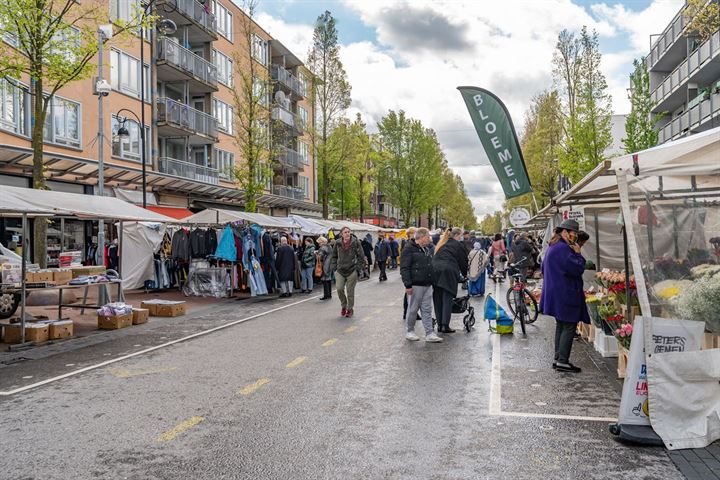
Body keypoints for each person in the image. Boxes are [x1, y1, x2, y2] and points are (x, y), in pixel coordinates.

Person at [540, 219, 590, 373]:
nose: (574, 236)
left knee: (561, 325)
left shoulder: (553, 246)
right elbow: (577, 268)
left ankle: (558, 358)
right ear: (565, 232)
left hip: (556, 292)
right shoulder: (563, 249)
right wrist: (579, 254)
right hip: (565, 293)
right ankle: (562, 361)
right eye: (573, 233)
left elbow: (542, 267)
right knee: (568, 326)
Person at [401, 228, 443, 343]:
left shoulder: (427, 248)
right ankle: (410, 331)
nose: (429, 239)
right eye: (427, 236)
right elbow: (404, 268)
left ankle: (429, 333)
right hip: (415, 284)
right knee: (413, 309)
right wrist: (408, 285)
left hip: (427, 284)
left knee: (427, 309)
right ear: (422, 237)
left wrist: (433, 281)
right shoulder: (409, 248)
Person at [432, 227, 468, 334]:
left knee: (437, 298)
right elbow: (463, 261)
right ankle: (445, 325)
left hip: (434, 270)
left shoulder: (442, 244)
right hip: (448, 271)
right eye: (460, 235)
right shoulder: (457, 245)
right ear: (457, 235)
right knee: (447, 298)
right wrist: (465, 275)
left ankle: (439, 324)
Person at [330, 227, 367, 318]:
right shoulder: (337, 243)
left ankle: (350, 309)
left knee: (350, 291)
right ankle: (344, 306)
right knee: (339, 289)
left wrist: (357, 268)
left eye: (348, 232)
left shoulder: (356, 242)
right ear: (341, 234)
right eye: (345, 232)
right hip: (340, 270)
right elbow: (334, 256)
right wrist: (334, 267)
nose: (347, 233)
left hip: (352, 270)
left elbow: (361, 256)